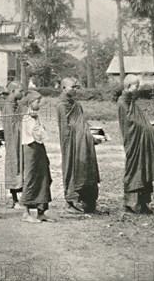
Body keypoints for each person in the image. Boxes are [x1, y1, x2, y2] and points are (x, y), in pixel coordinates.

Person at [118, 75, 154, 214]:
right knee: (135, 169)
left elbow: (140, 120)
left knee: (144, 168)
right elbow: (131, 122)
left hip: (141, 140)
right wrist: (150, 130)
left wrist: (150, 129)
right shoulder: (122, 102)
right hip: (134, 141)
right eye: (136, 86)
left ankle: (143, 202)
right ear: (128, 86)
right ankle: (132, 203)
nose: (138, 88)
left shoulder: (132, 101)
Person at [56, 77, 100, 213]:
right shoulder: (61, 106)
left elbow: (83, 122)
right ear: (63, 88)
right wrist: (83, 133)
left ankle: (88, 202)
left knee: (87, 168)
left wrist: (92, 134)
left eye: (76, 87)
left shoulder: (77, 105)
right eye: (72, 87)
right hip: (72, 145)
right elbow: (66, 129)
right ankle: (71, 202)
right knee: (73, 169)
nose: (75, 89)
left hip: (84, 144)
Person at [20, 90, 53, 223]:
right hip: (30, 149)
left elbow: (42, 133)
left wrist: (40, 127)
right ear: (30, 103)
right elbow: (37, 134)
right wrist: (39, 128)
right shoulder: (27, 118)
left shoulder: (35, 117)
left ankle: (41, 211)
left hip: (39, 148)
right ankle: (26, 213)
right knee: (31, 178)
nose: (39, 104)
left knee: (44, 177)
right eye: (37, 101)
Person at [3, 80, 25, 208]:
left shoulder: (17, 105)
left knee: (21, 166)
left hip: (20, 140)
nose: (22, 93)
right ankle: (15, 199)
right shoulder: (8, 106)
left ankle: (21, 198)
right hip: (13, 142)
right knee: (13, 166)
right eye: (20, 91)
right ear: (12, 91)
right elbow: (12, 125)